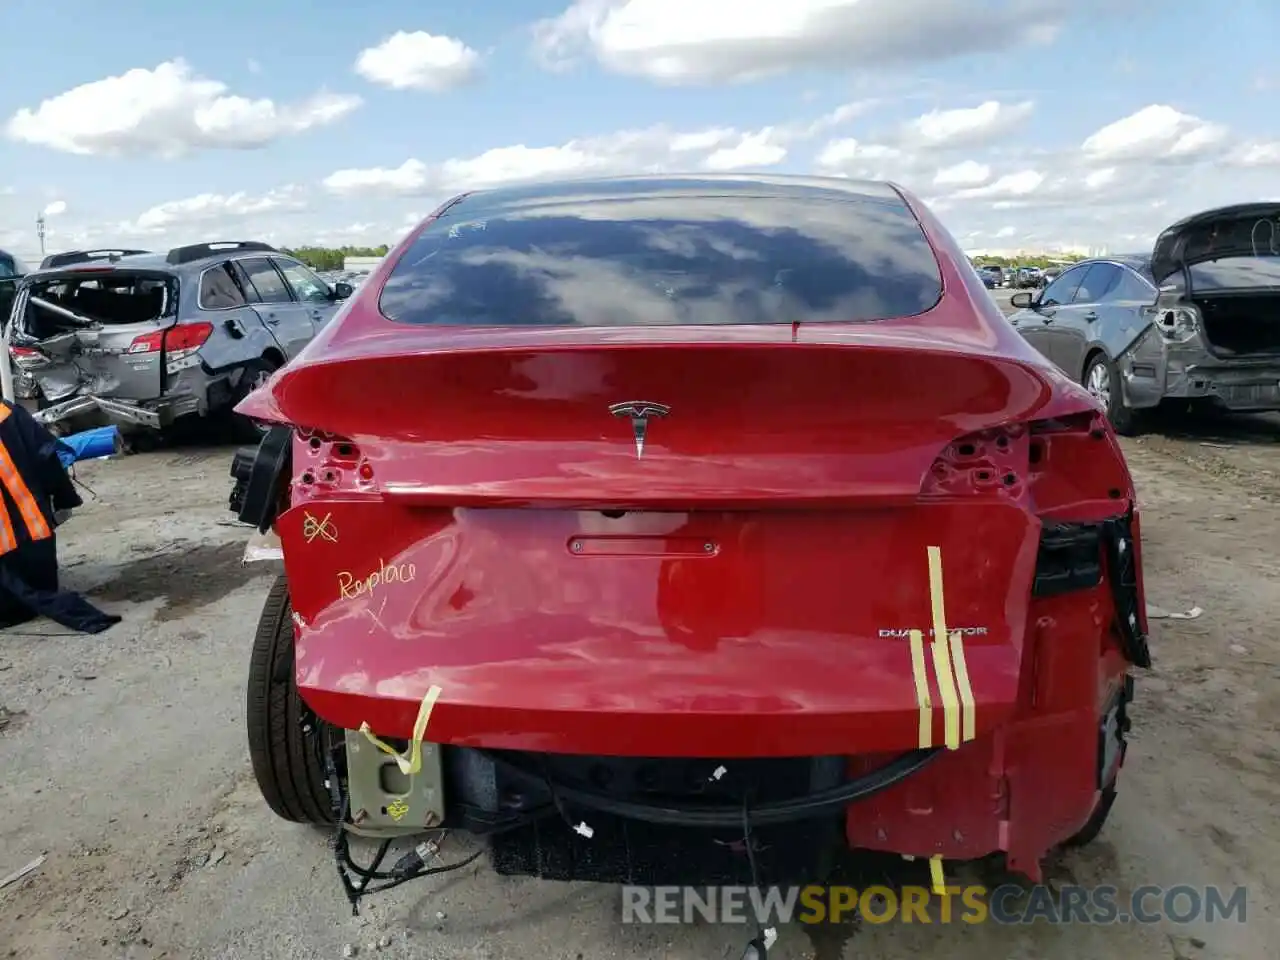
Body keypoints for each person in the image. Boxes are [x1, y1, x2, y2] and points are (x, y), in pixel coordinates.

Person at [0, 398, 120, 633]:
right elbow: (47, 457)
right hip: (34, 532)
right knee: (36, 580)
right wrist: (65, 497)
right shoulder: (7, 413)